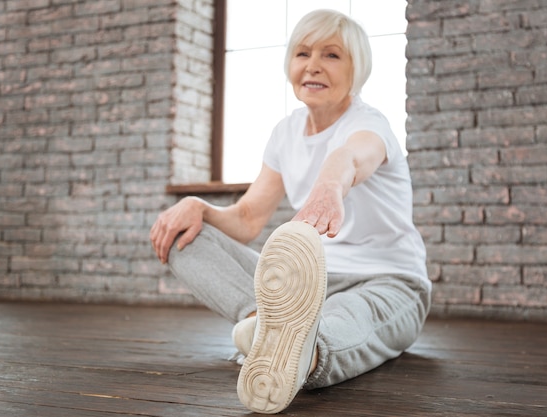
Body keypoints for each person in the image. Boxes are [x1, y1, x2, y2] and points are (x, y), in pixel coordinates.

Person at [150, 9, 431, 414]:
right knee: (186, 236)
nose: (313, 65)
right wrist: (198, 206)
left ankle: (302, 351)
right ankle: (269, 328)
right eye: (303, 53)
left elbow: (350, 157)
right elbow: (247, 219)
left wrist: (330, 186)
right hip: (311, 281)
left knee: (347, 316)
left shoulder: (371, 125)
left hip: (387, 282)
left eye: (332, 55)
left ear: (357, 68)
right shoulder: (285, 133)